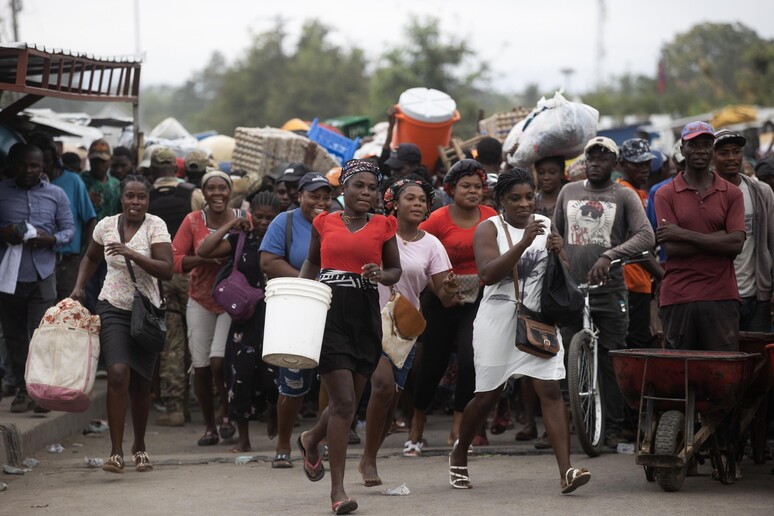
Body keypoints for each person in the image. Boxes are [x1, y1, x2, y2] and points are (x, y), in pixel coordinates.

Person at [448, 168, 591, 494]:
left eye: (529, 197)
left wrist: (559, 251)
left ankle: (565, 471)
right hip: (498, 320)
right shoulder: (488, 228)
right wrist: (523, 243)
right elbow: (487, 272)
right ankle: (459, 451)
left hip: (538, 320)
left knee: (551, 392)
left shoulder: (544, 224)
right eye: (515, 198)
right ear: (500, 200)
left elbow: (560, 275)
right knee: (486, 397)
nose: (524, 204)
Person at [297, 159, 401, 515]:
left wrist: (381, 274)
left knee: (348, 403)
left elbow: (395, 270)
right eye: (359, 186)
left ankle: (312, 439)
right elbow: (312, 263)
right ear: (344, 188)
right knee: (342, 403)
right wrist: (300, 296)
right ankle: (337, 492)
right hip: (329, 313)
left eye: (372, 188)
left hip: (365, 314)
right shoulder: (323, 221)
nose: (366, 193)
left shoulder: (385, 225)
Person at [554, 136, 655, 448]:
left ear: (615, 164)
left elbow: (646, 236)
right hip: (572, 290)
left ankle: (611, 427)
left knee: (612, 359)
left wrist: (610, 255)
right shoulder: (568, 191)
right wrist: (558, 256)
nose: (596, 163)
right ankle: (580, 420)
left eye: (603, 158)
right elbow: (556, 231)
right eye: (591, 157)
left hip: (609, 289)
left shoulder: (623, 195)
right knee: (570, 355)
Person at [359, 178, 460, 487]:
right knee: (382, 385)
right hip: (366, 321)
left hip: (403, 330)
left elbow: (444, 297)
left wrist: (451, 289)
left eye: (423, 200)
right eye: (410, 198)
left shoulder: (432, 245)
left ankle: (314, 436)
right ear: (393, 203)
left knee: (390, 401)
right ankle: (368, 460)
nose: (418, 203)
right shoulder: (374, 230)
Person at [69, 174, 173, 473]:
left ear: (148, 200)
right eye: (130, 196)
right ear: (122, 197)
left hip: (147, 313)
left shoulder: (156, 226)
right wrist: (79, 287)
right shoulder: (105, 226)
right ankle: (115, 452)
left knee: (141, 385)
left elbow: (167, 270)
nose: (135, 202)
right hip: (112, 306)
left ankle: (139, 446)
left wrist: (132, 253)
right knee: (117, 374)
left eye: (141, 197)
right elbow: (90, 257)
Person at [406, 159, 498, 454]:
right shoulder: (437, 220)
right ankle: (416, 429)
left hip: (478, 297)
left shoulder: (491, 216)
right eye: (465, 187)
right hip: (441, 296)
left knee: (471, 362)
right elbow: (418, 256)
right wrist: (439, 289)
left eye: (478, 187)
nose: (473, 192)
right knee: (432, 364)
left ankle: (459, 431)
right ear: (451, 189)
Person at [260, 171, 334, 468]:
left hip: (333, 308)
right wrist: (310, 282)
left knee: (332, 376)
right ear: (300, 196)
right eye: (314, 195)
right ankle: (283, 443)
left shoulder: (338, 220)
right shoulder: (285, 222)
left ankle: (322, 439)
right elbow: (268, 261)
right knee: (292, 379)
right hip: (298, 308)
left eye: (326, 196)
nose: (320, 201)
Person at [198, 192, 281, 452]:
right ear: (250, 214)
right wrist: (232, 224)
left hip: (276, 317)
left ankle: (274, 415)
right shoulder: (241, 239)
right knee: (240, 378)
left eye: (270, 217)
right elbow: (204, 250)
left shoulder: (282, 240)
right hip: (245, 319)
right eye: (259, 216)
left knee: (273, 378)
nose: (265, 222)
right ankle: (244, 440)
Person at [654, 122, 745, 351]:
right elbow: (673, 249)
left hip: (721, 296)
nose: (700, 150)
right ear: (683, 149)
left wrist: (682, 233)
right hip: (678, 297)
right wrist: (720, 239)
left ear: (712, 150)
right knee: (680, 375)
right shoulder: (665, 193)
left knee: (721, 375)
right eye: (693, 145)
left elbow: (736, 244)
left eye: (706, 145)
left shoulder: (732, 193)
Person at [0, 144, 75, 413]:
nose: (29, 170)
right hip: (8, 277)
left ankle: (40, 393)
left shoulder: (57, 194)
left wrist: (50, 239)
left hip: (43, 273)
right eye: (24, 164)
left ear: (43, 167)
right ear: (13, 165)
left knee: (42, 335)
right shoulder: (2, 192)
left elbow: (69, 229)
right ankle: (22, 389)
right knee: (14, 336)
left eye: (35, 165)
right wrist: (4, 233)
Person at [173, 170, 240, 445]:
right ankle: (209, 426)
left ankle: (227, 415)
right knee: (200, 366)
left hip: (230, 300)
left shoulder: (241, 217)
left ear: (230, 191)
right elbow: (176, 261)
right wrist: (203, 259)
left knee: (219, 362)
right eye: (210, 188)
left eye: (222, 188)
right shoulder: (192, 221)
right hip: (199, 298)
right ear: (203, 193)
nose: (216, 193)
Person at [147, 146, 205, 426]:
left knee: (171, 343)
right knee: (201, 337)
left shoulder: (143, 195)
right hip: (191, 273)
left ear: (153, 169)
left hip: (159, 275)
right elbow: (204, 229)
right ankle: (214, 406)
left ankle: (174, 408)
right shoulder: (193, 193)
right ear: (175, 167)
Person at [711, 129, 773, 332]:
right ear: (713, 156)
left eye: (736, 151)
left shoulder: (761, 192)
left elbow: (771, 242)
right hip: (717, 297)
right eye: (723, 153)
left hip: (756, 297)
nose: (731, 158)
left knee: (758, 359)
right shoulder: (704, 195)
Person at [27, 133, 97, 301]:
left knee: (69, 311)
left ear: (55, 158)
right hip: (35, 260)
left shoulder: (73, 181)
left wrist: (86, 256)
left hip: (67, 262)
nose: (43, 167)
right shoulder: (26, 186)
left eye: (47, 162)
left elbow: (90, 218)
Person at [616, 139, 664, 348]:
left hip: (640, 281)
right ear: (622, 164)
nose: (643, 169)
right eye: (636, 164)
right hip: (630, 282)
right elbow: (638, 245)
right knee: (637, 344)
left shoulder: (639, 193)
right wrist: (663, 276)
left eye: (646, 163)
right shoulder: (624, 192)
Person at [81, 139, 121, 221]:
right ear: (89, 160)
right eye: (95, 161)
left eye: (102, 161)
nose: (98, 165)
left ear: (110, 160)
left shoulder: (116, 185)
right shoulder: (80, 181)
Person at [534, 156, 566, 221]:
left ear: (562, 173)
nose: (546, 177)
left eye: (552, 172)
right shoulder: (531, 202)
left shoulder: (567, 202)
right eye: (541, 172)